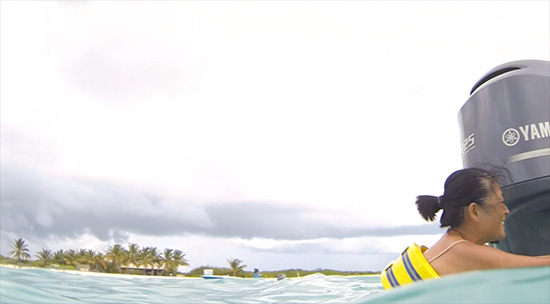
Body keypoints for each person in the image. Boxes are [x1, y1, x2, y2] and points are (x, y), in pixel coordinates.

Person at [381, 167, 550, 289]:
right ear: (474, 211)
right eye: (500, 202)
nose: (506, 210)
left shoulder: (452, 245)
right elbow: (539, 265)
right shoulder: (463, 251)